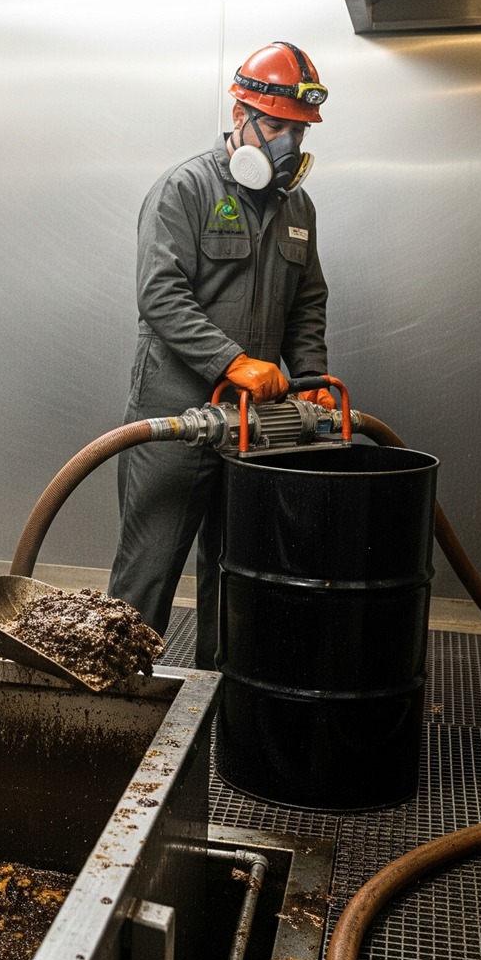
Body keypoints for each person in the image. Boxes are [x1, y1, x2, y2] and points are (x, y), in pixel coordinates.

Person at [109, 41, 335, 669]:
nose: (288, 142)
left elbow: (307, 300)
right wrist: (232, 362)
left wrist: (310, 376)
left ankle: (221, 713)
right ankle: (118, 711)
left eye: (300, 129)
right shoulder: (185, 188)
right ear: (239, 113)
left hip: (256, 424)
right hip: (176, 414)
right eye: (277, 125)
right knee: (147, 574)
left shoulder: (298, 207)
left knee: (239, 575)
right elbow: (159, 294)